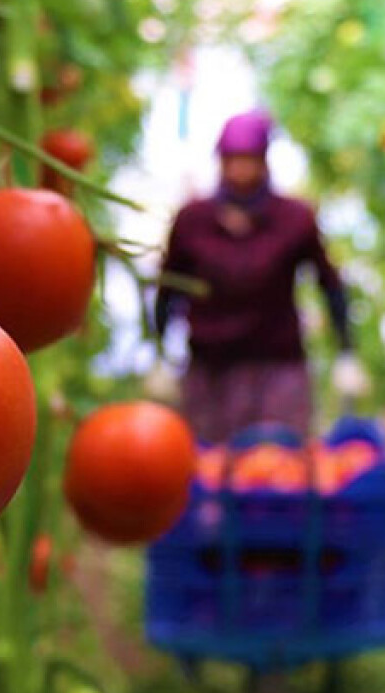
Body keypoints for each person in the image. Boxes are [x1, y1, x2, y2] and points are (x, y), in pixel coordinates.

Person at [153, 109, 368, 443]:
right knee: (209, 472)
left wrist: (346, 352)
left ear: (264, 161)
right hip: (209, 371)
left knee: (275, 469)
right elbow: (169, 288)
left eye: (248, 159)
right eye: (232, 159)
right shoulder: (192, 220)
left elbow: (329, 284)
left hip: (277, 370)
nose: (239, 169)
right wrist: (158, 352)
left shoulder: (294, 219)